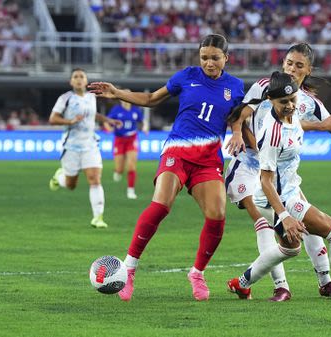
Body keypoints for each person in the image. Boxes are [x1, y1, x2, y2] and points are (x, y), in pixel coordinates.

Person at [88, 34, 244, 302]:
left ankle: (197, 273)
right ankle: (129, 268)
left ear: (226, 58)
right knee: (161, 205)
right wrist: (117, 93)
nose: (209, 62)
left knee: (217, 215)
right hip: (177, 152)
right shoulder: (186, 76)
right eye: (204, 57)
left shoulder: (236, 86)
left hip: (208, 159)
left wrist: (238, 131)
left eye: (215, 58)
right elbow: (151, 99)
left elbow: (238, 114)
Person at [227, 71, 331, 303]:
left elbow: (299, 124)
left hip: (284, 192)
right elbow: (266, 181)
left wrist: (326, 128)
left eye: (292, 100)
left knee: (291, 249)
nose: (289, 106)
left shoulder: (290, 117)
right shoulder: (272, 135)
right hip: (277, 198)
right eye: (283, 102)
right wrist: (285, 215)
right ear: (270, 101)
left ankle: (242, 283)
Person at [224, 43, 331, 302]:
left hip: (281, 175)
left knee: (306, 225)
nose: (292, 68)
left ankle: (324, 282)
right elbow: (241, 115)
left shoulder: (305, 102)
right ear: (283, 63)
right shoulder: (264, 86)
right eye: (289, 63)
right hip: (251, 165)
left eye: (299, 65)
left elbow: (324, 127)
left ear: (308, 70)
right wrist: (238, 133)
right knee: (265, 226)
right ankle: (280, 286)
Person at [48, 68, 122, 228]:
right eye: (76, 77)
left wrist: (107, 120)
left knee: (95, 179)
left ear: (86, 81)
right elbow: (53, 119)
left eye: (82, 76)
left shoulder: (91, 98)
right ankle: (59, 177)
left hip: (90, 145)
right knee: (70, 185)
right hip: (71, 147)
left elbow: (92, 115)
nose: (79, 79)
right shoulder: (65, 98)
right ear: (71, 81)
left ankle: (98, 218)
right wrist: (70, 122)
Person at [104, 95, 145, 199]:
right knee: (119, 168)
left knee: (131, 166)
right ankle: (117, 172)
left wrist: (145, 127)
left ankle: (131, 190)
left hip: (132, 138)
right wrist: (109, 128)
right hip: (119, 140)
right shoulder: (116, 110)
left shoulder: (136, 110)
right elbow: (106, 121)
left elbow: (142, 121)